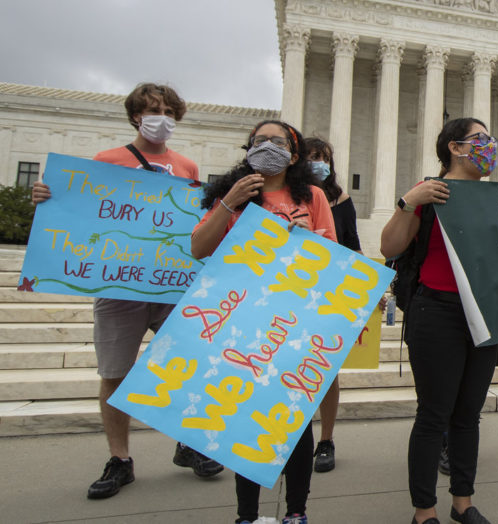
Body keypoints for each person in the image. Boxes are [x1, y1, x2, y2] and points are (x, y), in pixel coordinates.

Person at [31, 83, 224, 499]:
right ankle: (120, 459)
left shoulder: (187, 167)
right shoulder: (107, 160)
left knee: (185, 367)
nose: (163, 119)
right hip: (118, 287)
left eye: (170, 111)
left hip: (171, 286)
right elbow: (81, 210)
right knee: (115, 374)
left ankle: (188, 444)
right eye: (154, 110)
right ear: (136, 115)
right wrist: (47, 198)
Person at [192, 119, 335, 524]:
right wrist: (228, 203)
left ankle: (296, 511)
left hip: (294, 320)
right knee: (245, 419)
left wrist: (311, 238)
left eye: (277, 141)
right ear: (248, 149)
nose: (267, 146)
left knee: (296, 419)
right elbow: (199, 249)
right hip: (243, 320)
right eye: (259, 141)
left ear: (293, 154)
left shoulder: (313, 197)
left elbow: (335, 259)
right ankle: (247, 515)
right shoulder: (233, 196)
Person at [381, 117, 498, 524]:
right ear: (455, 148)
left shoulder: (496, 200)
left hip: (484, 315)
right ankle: (424, 510)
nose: (489, 145)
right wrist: (409, 201)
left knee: (468, 415)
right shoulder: (429, 193)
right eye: (480, 139)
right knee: (434, 415)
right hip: (435, 310)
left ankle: (462, 503)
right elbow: (390, 246)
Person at [305, 136, 363, 473]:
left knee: (326, 372)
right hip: (287, 293)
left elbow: (352, 246)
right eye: (312, 156)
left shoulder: (341, 200)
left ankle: (325, 439)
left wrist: (370, 292)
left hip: (327, 294)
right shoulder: (283, 197)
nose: (319, 162)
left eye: (324, 157)